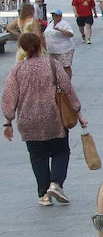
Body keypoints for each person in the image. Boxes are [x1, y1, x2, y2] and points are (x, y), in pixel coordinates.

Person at [3, 33, 86, 207]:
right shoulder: (52, 64)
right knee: (60, 151)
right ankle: (55, 183)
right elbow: (67, 89)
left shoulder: (17, 69)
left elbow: (9, 95)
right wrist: (78, 113)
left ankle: (44, 195)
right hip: (52, 116)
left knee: (37, 155)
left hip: (27, 118)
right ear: (41, 45)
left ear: (23, 49)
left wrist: (8, 121)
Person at [42, 10, 75, 76]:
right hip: (52, 50)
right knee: (53, 67)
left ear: (60, 16)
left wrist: (60, 30)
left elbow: (71, 34)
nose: (55, 17)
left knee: (65, 66)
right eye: (53, 15)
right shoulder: (50, 23)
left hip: (64, 49)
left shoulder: (64, 24)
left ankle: (67, 82)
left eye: (56, 15)